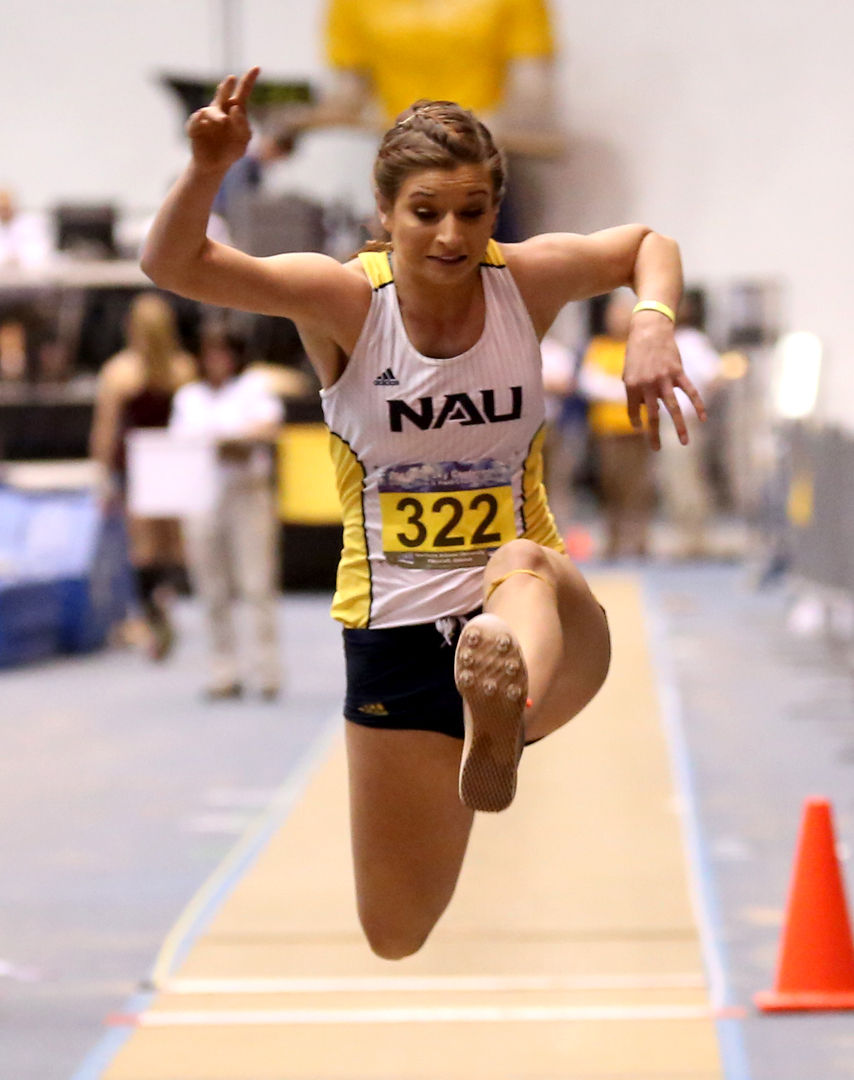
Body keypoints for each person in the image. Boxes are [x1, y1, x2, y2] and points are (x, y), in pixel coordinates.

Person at [141, 68, 705, 959]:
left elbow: (647, 241)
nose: (453, 235)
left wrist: (652, 321)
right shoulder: (342, 300)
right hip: (394, 631)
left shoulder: (527, 282)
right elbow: (174, 266)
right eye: (427, 212)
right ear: (384, 213)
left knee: (516, 557)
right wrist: (208, 168)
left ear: (495, 213)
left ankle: (504, 693)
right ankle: (490, 733)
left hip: (539, 613)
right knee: (396, 932)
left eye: (475, 212)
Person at [169, 325, 284, 700]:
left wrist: (231, 441)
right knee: (211, 588)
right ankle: (224, 669)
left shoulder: (252, 387)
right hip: (202, 497)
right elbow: (180, 444)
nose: (216, 360)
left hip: (246, 495)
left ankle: (266, 669)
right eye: (209, 352)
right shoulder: (189, 397)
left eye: (223, 352)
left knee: (256, 584)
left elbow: (268, 428)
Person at [90, 292, 196, 658]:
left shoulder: (120, 371)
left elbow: (105, 430)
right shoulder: (182, 369)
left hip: (138, 465)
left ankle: (151, 608)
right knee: (171, 544)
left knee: (144, 548)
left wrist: (102, 471)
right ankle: (163, 597)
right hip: (169, 463)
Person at [578, 292, 656, 559]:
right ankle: (613, 540)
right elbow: (590, 384)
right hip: (607, 431)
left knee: (638, 488)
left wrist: (614, 388)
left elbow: (647, 383)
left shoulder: (642, 347)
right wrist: (625, 389)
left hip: (638, 430)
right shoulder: (598, 347)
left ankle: (639, 542)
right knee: (610, 486)